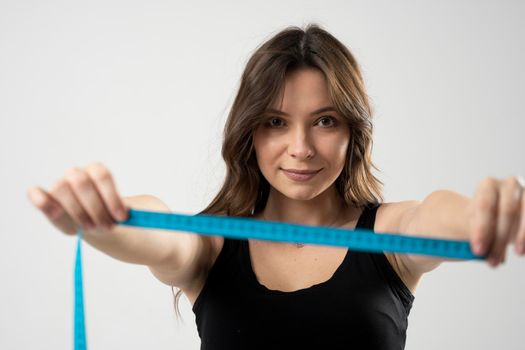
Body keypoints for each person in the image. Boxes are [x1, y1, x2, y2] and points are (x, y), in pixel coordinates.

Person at [27, 24, 524, 350]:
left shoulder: (392, 234)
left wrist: (485, 212)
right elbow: (155, 229)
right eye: (276, 122)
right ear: (250, 132)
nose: (301, 147)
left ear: (353, 131)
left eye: (325, 120)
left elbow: (438, 214)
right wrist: (102, 216)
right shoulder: (211, 244)